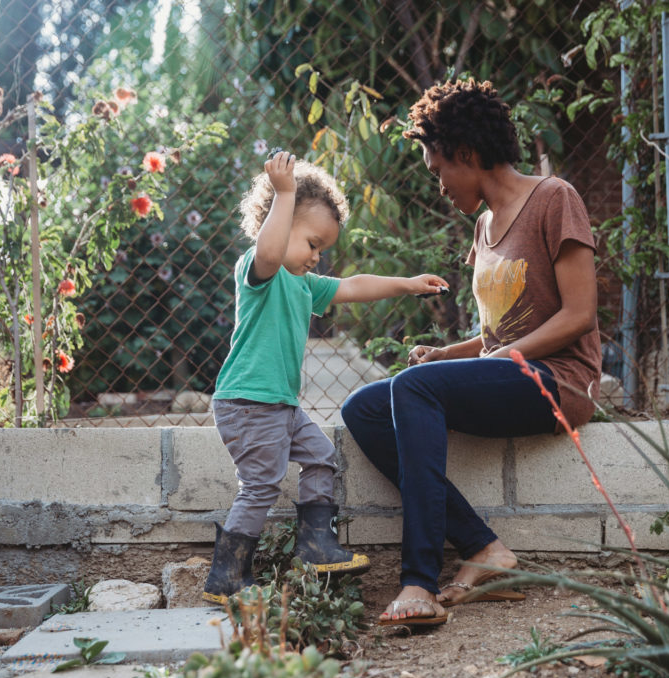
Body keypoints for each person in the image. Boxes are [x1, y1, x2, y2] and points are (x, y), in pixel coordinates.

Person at [341, 79, 602, 626]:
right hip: (514, 370)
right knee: (362, 407)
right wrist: (447, 356)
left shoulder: (555, 199)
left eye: (438, 170)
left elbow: (578, 315)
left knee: (411, 391)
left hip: (560, 381)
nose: (438, 186)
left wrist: (497, 360)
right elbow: (499, 335)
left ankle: (417, 580)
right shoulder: (484, 225)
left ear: (466, 154)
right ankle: (484, 548)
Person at [204, 150, 449, 605]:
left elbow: (355, 286)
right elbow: (272, 249)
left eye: (323, 249)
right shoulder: (260, 271)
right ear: (277, 223)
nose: (317, 256)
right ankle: (228, 575)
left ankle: (316, 546)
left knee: (320, 456)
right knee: (259, 487)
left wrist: (408, 282)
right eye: (313, 243)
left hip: (280, 405)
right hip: (248, 402)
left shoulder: (302, 283)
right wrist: (284, 192)